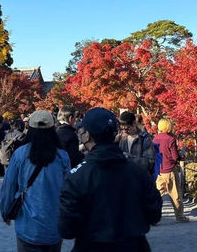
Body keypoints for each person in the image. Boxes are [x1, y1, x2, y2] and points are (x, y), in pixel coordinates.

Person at [59, 107, 162, 251]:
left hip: (90, 245)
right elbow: (155, 214)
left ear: (87, 136)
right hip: (133, 245)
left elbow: (66, 228)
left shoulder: (77, 176)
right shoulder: (138, 173)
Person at [0, 110, 70, 252]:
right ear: (52, 130)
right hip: (54, 225)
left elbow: (9, 186)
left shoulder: (20, 154)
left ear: (30, 129)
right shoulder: (62, 156)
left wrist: (6, 211)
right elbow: (68, 191)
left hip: (28, 225)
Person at [152, 119, 188, 222]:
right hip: (170, 170)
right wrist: (181, 156)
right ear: (169, 127)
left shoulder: (155, 139)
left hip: (159, 171)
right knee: (176, 195)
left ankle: (153, 218)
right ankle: (180, 217)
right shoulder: (171, 139)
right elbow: (175, 157)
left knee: (157, 195)